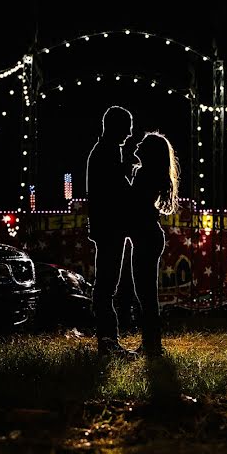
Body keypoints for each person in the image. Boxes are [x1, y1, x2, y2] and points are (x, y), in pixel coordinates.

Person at [86, 106, 140, 357]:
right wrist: (129, 169)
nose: (129, 133)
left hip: (107, 227)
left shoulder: (107, 151)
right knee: (107, 286)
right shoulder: (107, 153)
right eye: (127, 127)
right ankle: (108, 342)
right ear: (115, 126)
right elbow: (116, 191)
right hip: (110, 228)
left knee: (107, 285)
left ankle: (108, 341)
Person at [128, 131, 179, 358]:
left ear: (148, 152)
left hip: (146, 236)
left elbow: (132, 203)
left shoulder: (142, 174)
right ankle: (152, 343)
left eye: (142, 143)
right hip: (151, 235)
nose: (137, 145)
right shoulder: (153, 173)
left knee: (145, 293)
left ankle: (152, 345)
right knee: (148, 293)